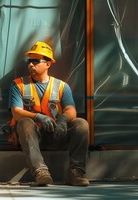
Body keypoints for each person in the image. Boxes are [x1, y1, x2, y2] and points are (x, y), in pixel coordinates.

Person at [8, 41, 90, 187]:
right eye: (29, 61)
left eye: (35, 61)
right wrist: (38, 117)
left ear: (48, 64)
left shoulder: (62, 86)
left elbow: (71, 109)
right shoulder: (18, 84)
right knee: (25, 122)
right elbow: (16, 112)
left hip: (56, 134)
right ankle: (40, 172)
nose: (31, 64)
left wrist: (63, 119)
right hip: (32, 138)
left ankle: (76, 172)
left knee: (81, 123)